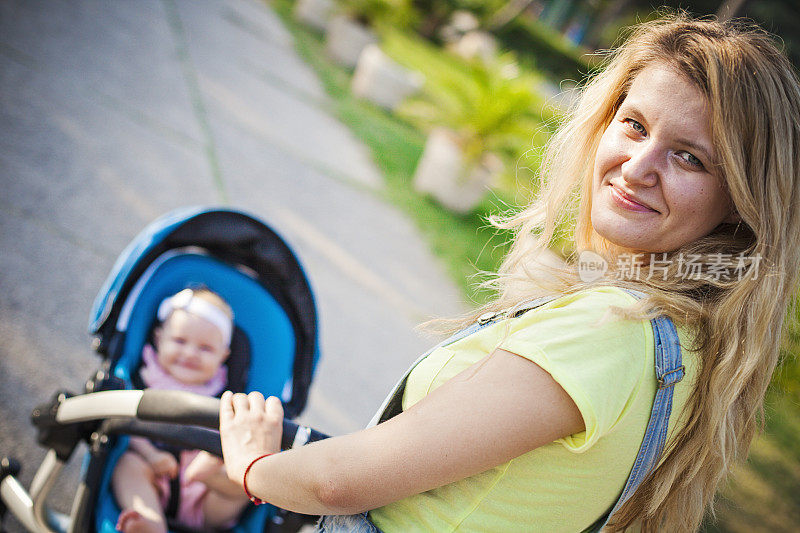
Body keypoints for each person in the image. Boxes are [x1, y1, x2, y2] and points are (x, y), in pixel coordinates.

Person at [217, 13, 800, 532]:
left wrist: (251, 467)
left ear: (740, 203)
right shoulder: (687, 343)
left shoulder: (608, 331)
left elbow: (338, 485)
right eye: (635, 126)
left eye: (689, 157)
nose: (639, 166)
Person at [112, 288, 249, 533]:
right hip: (153, 473)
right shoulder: (145, 379)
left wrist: (216, 465)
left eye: (205, 348)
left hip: (204, 495)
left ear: (223, 356)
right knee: (126, 464)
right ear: (158, 338)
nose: (190, 354)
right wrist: (151, 455)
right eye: (179, 341)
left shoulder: (227, 395)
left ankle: (207, 475)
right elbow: (125, 425)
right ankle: (150, 521)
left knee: (243, 485)